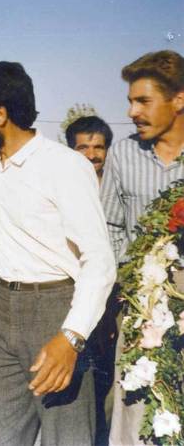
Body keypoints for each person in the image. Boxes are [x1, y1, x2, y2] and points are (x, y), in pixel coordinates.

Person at [0, 61, 116, 445]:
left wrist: (71, 338)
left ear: (0, 115)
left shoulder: (64, 166)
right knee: (4, 438)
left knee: (67, 437)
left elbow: (99, 261)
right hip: (3, 315)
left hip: (55, 312)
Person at [101, 50, 184, 446]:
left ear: (178, 99)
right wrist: (134, 282)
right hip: (142, 308)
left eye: (143, 101)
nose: (132, 111)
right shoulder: (122, 154)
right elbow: (110, 226)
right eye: (130, 101)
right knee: (137, 409)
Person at [65, 115, 114, 182]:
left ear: (107, 150)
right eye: (83, 148)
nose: (91, 156)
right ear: (71, 151)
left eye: (98, 148)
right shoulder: (60, 185)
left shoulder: (121, 185)